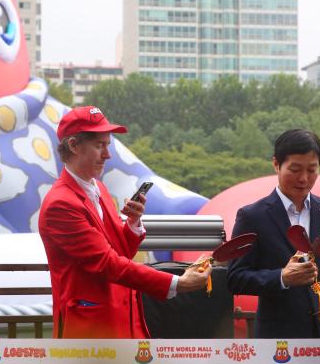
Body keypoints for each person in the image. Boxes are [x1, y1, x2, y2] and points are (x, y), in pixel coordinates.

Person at [38, 106, 211, 338]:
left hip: (123, 321)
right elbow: (107, 263)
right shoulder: (61, 204)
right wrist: (178, 283)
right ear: (73, 146)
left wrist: (132, 223)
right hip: (92, 331)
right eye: (100, 145)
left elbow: (120, 253)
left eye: (108, 145)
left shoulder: (97, 187)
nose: (107, 155)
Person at [227, 129, 320, 338]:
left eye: (312, 169)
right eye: (295, 169)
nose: (303, 178)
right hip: (279, 340)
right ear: (276, 164)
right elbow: (236, 278)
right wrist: (282, 277)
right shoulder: (252, 216)